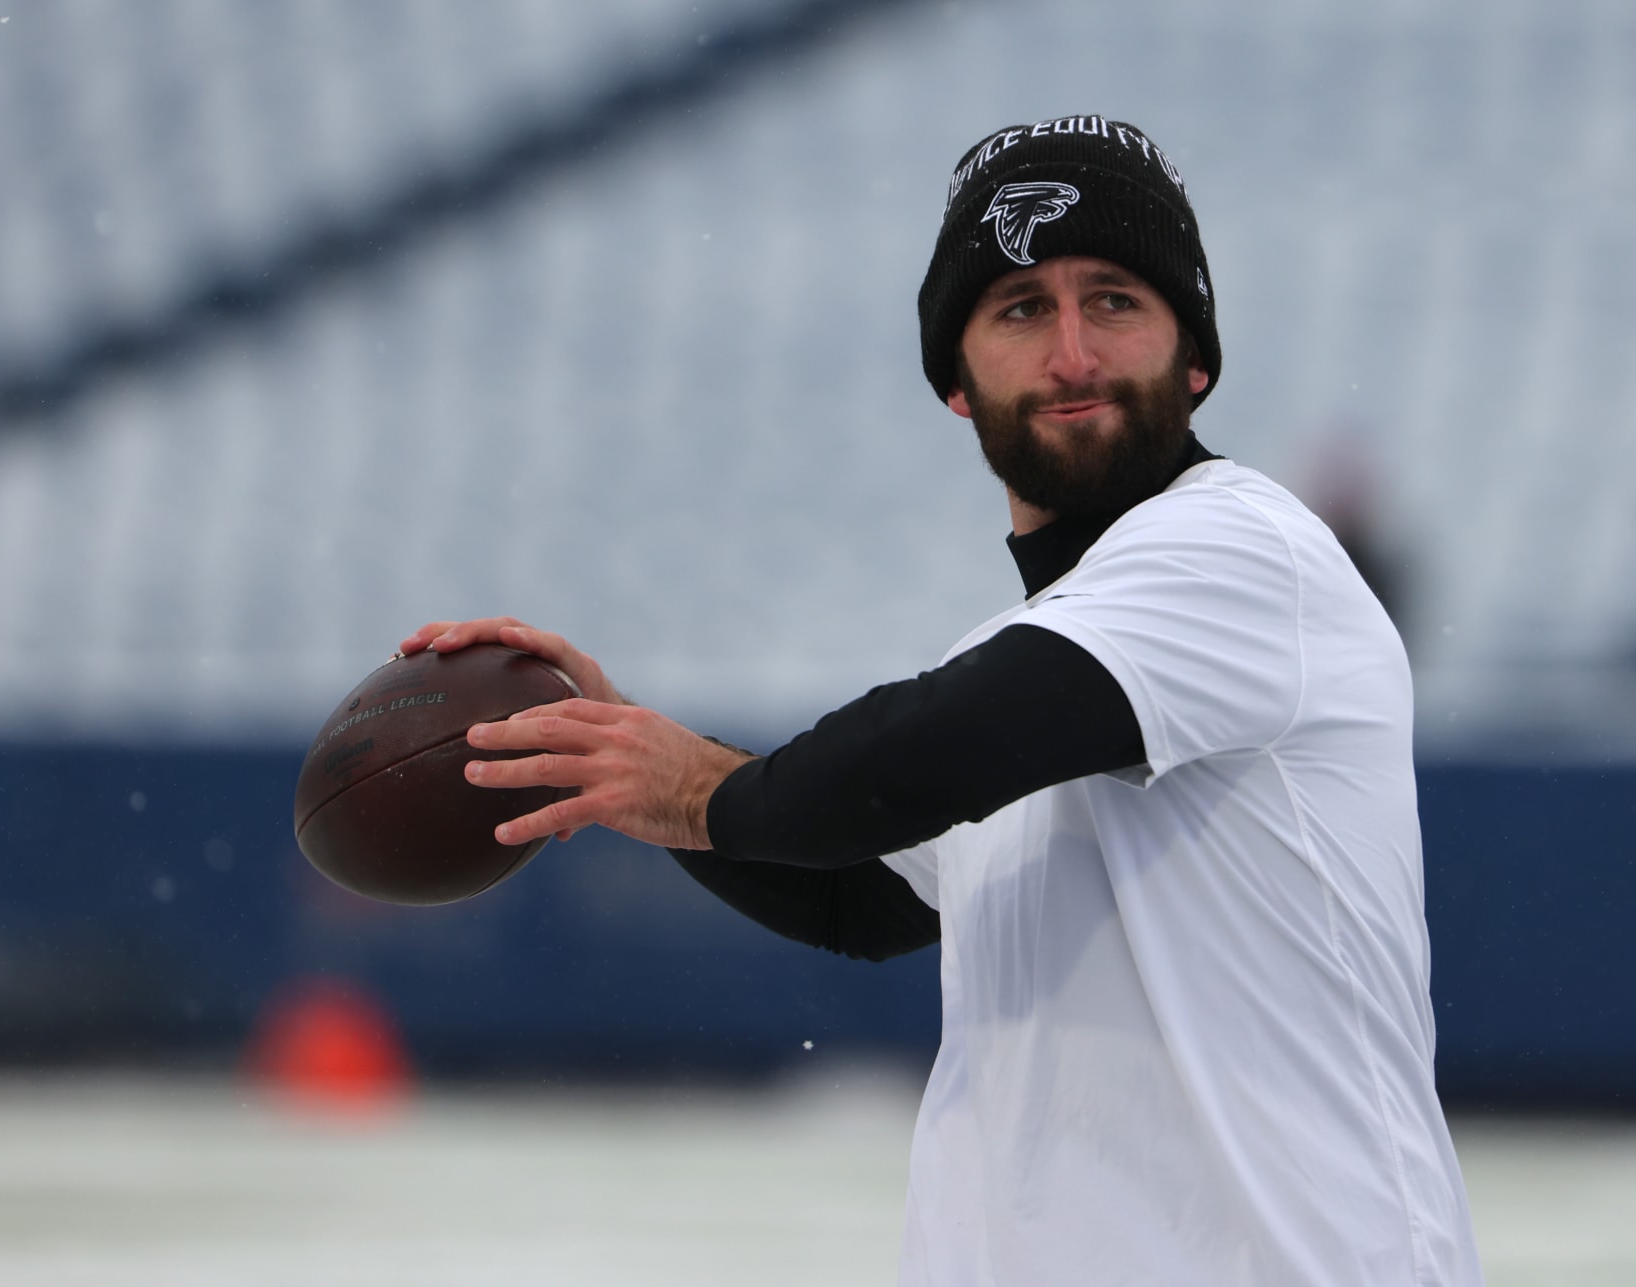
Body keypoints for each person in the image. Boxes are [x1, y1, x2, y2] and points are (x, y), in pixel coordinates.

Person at [402, 115, 1484, 1285]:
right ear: (956, 384)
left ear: (1198, 359)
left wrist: (700, 784)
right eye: (1020, 308)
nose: (1072, 352)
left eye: (1114, 300)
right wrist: (627, 761)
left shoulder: (1242, 552)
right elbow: (857, 899)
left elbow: (914, 765)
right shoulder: (1042, 657)